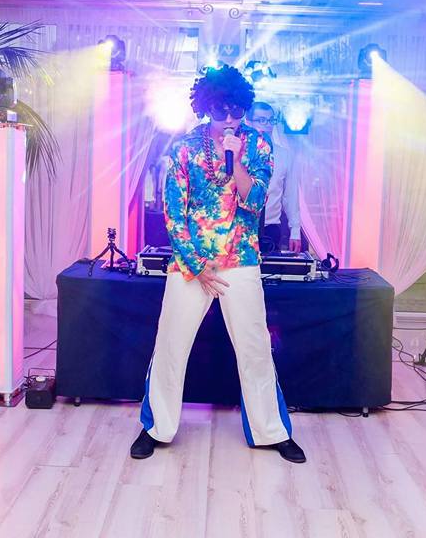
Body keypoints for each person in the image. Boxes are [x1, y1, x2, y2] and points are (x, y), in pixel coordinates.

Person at [129, 65, 305, 464]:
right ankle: (156, 427)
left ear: (244, 107)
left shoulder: (258, 145)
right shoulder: (183, 148)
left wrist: (236, 160)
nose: (229, 119)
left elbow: (255, 203)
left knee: (255, 347)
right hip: (192, 263)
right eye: (220, 111)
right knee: (170, 345)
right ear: (206, 108)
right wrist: (196, 265)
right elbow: (174, 213)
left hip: (240, 259)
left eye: (236, 111)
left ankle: (271, 431)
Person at [246, 101, 302, 254]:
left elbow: (290, 196)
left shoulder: (284, 155)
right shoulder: (239, 153)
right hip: (240, 225)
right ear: (248, 122)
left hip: (270, 227)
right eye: (262, 120)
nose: (268, 125)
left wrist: (295, 230)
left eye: (271, 120)